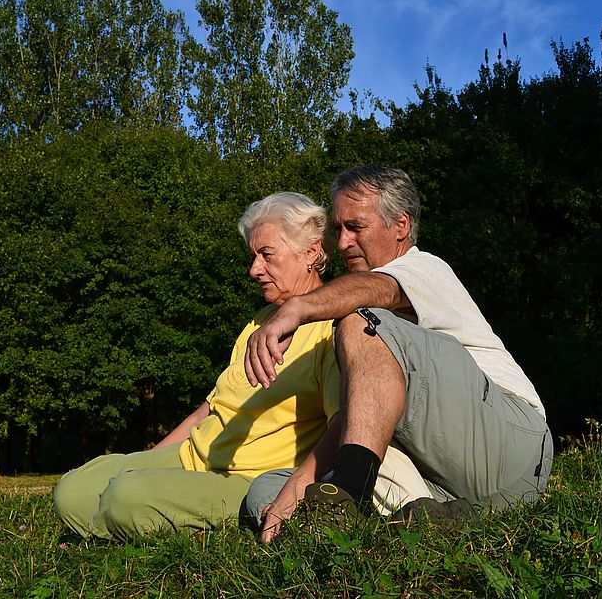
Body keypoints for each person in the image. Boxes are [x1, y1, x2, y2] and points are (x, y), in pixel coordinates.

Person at [243, 165, 553, 543]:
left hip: (513, 441)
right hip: (446, 474)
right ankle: (423, 520)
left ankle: (346, 501)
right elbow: (360, 419)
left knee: (362, 324)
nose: (342, 243)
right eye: (339, 229)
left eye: (355, 227)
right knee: (271, 485)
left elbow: (378, 292)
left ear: (401, 226)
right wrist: (297, 488)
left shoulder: (424, 269)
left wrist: (297, 308)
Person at [53, 191, 341, 541]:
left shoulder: (332, 330)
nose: (254, 269)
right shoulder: (260, 322)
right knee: (71, 492)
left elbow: (342, 425)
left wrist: (293, 491)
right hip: (192, 456)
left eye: (266, 255)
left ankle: (136, 523)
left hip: (246, 478)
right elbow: (210, 408)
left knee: (125, 497)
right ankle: (123, 519)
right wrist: (147, 461)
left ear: (310, 252)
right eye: (253, 256)